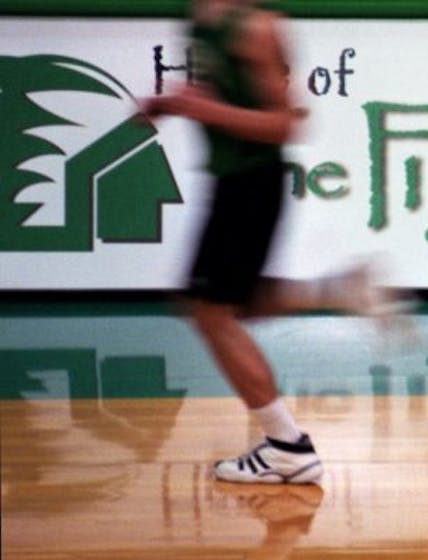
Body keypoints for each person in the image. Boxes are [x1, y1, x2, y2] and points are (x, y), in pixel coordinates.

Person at [143, 0, 405, 484]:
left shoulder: (257, 28)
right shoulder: (203, 17)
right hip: (230, 183)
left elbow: (286, 123)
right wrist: (179, 101)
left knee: (211, 312)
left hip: (251, 183)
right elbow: (228, 92)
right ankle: (339, 291)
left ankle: (287, 446)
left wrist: (197, 107)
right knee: (227, 305)